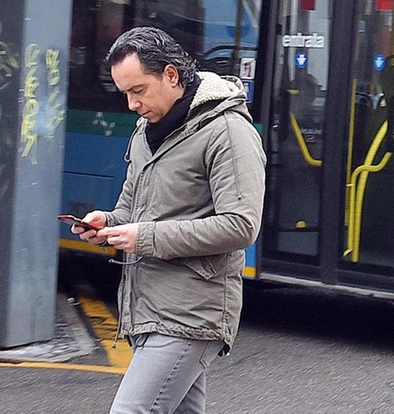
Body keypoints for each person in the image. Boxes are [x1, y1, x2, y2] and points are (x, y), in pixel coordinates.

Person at [73, 27, 266, 414]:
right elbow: (131, 209)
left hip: (192, 310)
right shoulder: (148, 130)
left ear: (171, 75)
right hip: (150, 305)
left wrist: (143, 237)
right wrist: (107, 224)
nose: (131, 104)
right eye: (125, 93)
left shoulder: (227, 131)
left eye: (138, 90)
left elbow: (241, 225)